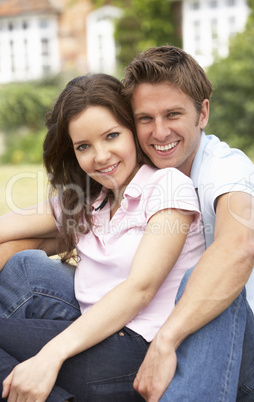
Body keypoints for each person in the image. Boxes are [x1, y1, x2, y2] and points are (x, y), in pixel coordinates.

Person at [0, 73, 205, 401]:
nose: (100, 156)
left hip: (140, 352)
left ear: (132, 132)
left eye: (111, 136)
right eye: (84, 146)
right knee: (20, 264)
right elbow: (9, 229)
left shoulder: (166, 186)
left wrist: (50, 355)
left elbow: (140, 289)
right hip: (97, 330)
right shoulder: (93, 199)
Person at [121, 45, 254, 401]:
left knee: (209, 278)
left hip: (250, 356)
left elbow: (238, 248)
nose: (159, 133)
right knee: (29, 271)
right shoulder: (144, 171)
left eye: (172, 114)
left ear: (202, 113)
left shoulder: (227, 168)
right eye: (145, 119)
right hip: (161, 328)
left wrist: (165, 340)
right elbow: (59, 223)